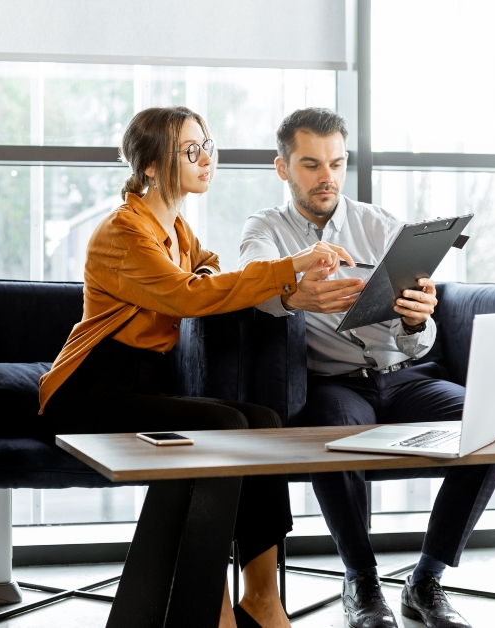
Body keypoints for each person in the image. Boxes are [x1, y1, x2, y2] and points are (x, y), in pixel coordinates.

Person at [38, 106, 353, 628]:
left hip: (142, 383)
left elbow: (208, 269)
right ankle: (213, 605)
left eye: (208, 146)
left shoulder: (176, 227)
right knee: (225, 426)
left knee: (264, 423)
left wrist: (255, 282)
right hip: (89, 389)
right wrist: (291, 265)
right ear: (152, 168)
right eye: (190, 150)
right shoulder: (125, 232)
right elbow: (187, 295)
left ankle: (262, 598)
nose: (206, 159)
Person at [239, 107, 495, 628]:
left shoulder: (379, 225)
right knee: (335, 432)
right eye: (311, 164)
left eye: (336, 162)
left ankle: (426, 579)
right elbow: (251, 286)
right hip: (333, 384)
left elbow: (421, 337)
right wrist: (293, 294)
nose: (327, 177)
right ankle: (361, 580)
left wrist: (417, 319)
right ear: (282, 168)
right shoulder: (266, 228)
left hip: (405, 377)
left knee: (487, 427)